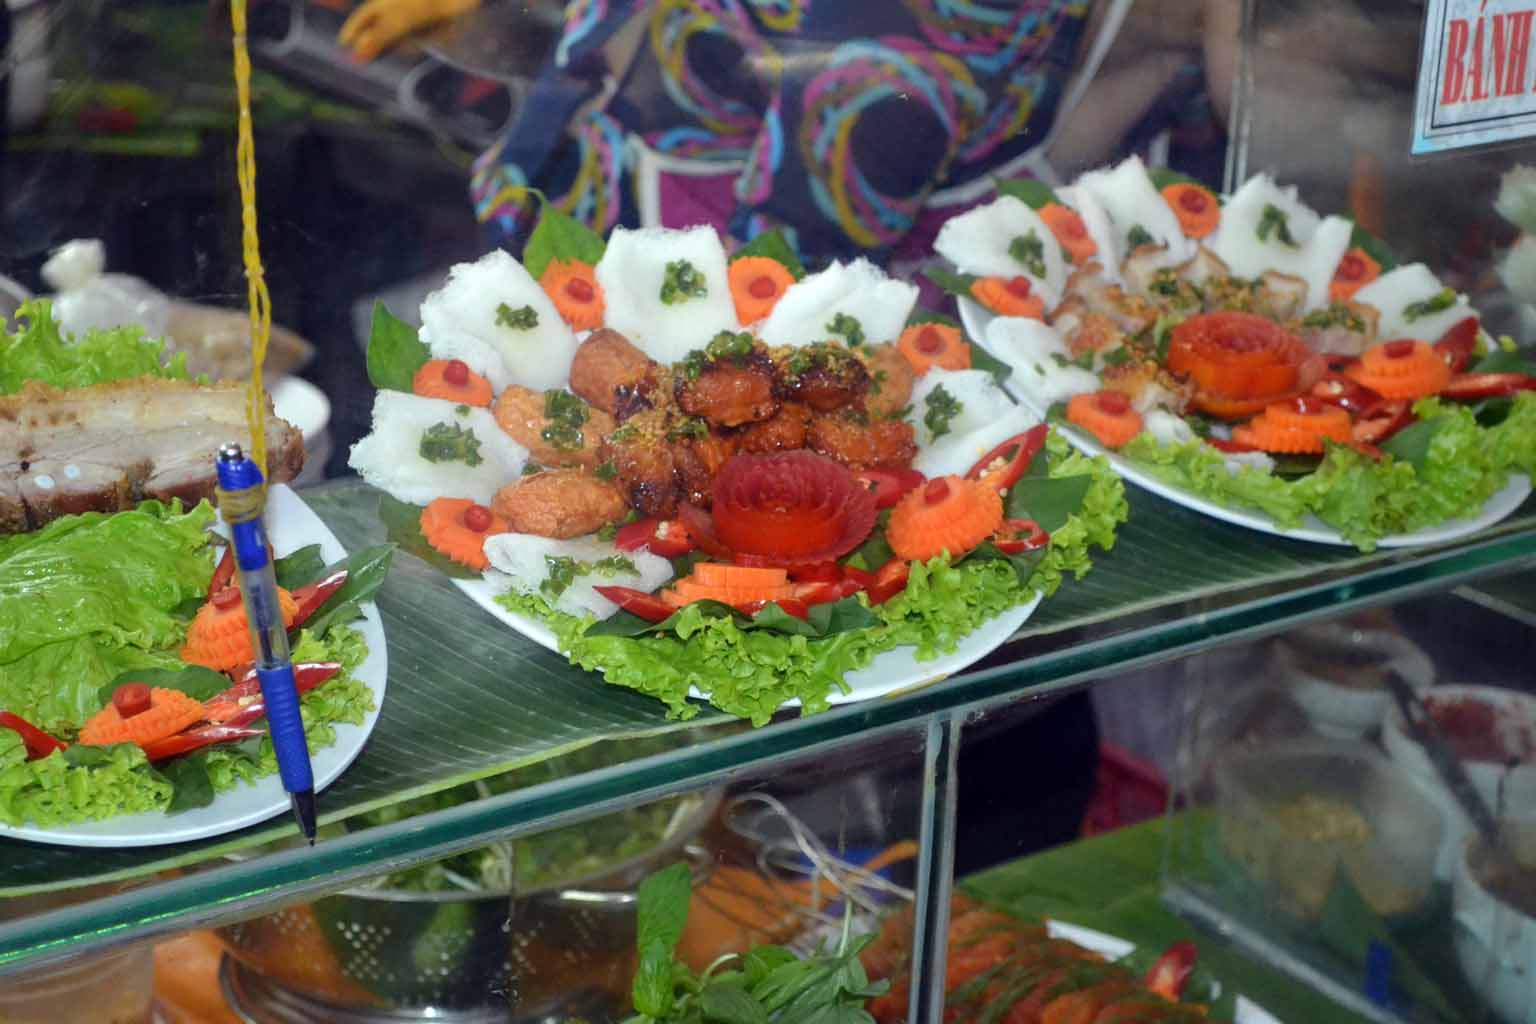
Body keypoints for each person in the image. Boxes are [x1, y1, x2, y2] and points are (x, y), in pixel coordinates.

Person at [333, 0, 1230, 266]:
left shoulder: (899, 53)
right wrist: (488, 20)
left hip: (746, 332)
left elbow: (777, 300)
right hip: (576, 245)